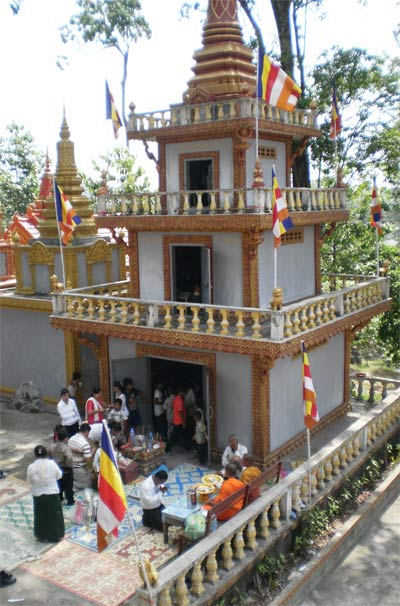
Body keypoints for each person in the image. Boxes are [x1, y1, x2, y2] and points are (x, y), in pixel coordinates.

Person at [26, 445, 65, 542]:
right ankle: (56, 535)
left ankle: (42, 535)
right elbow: (59, 475)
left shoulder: (31, 467)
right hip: (52, 493)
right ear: (46, 453)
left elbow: (29, 481)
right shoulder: (51, 464)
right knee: (55, 515)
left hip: (39, 495)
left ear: (35, 455)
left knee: (41, 516)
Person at [49, 427, 74, 506]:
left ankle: (60, 499)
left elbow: (49, 454)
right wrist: (69, 466)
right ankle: (70, 501)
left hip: (56, 467)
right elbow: (69, 458)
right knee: (68, 487)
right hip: (65, 468)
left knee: (58, 485)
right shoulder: (66, 448)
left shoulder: (52, 447)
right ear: (66, 438)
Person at [68, 422, 93, 491]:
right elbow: (88, 460)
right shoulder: (85, 444)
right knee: (86, 485)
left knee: (75, 483)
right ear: (87, 432)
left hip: (71, 466)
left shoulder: (71, 439)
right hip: (80, 468)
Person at [165, 387, 186, 453]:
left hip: (176, 420)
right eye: (184, 392)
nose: (184, 394)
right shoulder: (179, 400)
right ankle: (167, 448)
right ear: (181, 392)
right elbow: (180, 412)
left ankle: (186, 447)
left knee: (180, 435)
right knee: (175, 436)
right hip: (179, 421)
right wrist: (183, 422)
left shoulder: (176, 398)